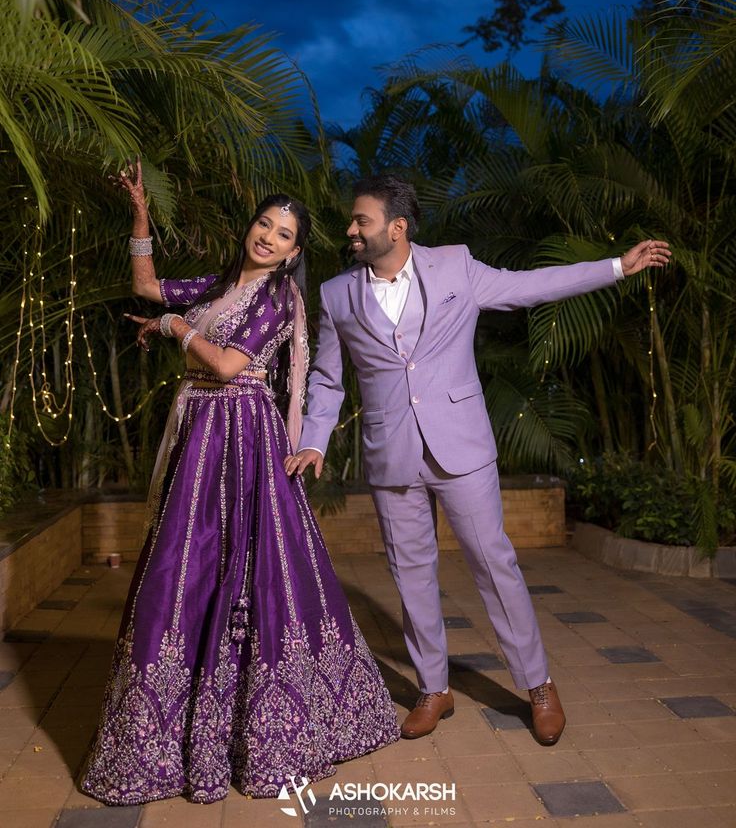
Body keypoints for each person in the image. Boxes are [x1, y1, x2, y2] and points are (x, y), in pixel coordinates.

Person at [285, 174, 671, 746]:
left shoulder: (457, 267)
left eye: (361, 220)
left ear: (397, 227)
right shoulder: (337, 294)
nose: (351, 229)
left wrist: (616, 266)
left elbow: (531, 286)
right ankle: (433, 688)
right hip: (392, 455)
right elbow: (326, 378)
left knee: (494, 564)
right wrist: (314, 438)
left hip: (461, 447)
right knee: (410, 574)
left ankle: (537, 684)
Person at [81, 163, 399, 806]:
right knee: (183, 570)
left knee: (252, 571)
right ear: (250, 227)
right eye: (264, 223)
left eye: (284, 234)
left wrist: (176, 328)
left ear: (294, 253)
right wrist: (140, 215)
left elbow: (227, 366)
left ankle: (261, 730)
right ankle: (171, 734)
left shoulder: (279, 299)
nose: (269, 237)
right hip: (199, 433)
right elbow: (146, 286)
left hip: (242, 437)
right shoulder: (224, 282)